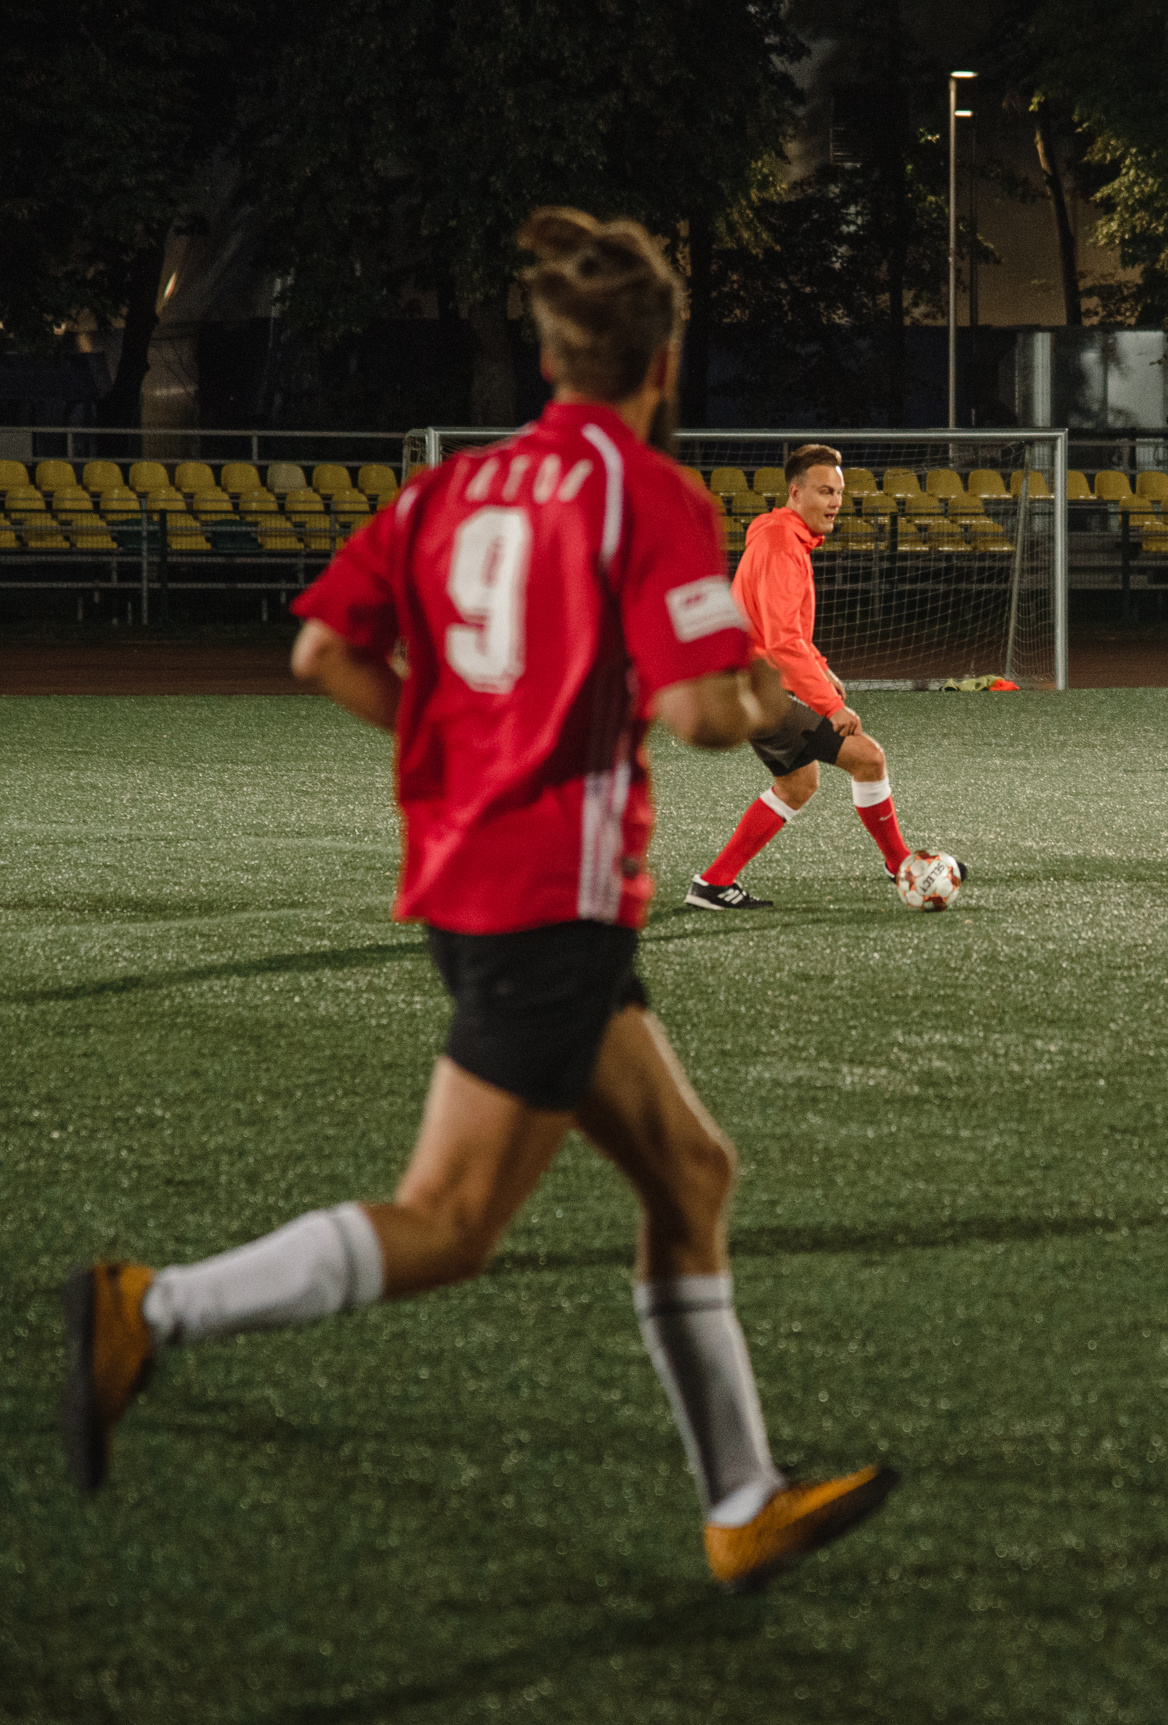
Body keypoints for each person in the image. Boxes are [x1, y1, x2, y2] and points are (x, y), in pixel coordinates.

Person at [61, 209, 897, 1592]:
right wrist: (763, 693)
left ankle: (742, 1497)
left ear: (557, 352)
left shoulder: (457, 488)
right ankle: (152, 1306)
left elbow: (324, 648)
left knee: (690, 1174)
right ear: (662, 364)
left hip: (479, 878)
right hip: (549, 901)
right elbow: (698, 711)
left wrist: (447, 751)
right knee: (450, 1221)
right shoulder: (643, 495)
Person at [686, 444, 959, 908]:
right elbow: (782, 642)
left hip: (747, 682)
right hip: (757, 689)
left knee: (798, 784)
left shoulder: (782, 537)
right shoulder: (779, 546)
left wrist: (821, 666)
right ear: (796, 493)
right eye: (824, 491)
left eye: (838, 492)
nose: (834, 501)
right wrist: (833, 708)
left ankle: (713, 884)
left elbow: (784, 630)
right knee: (869, 759)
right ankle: (901, 866)